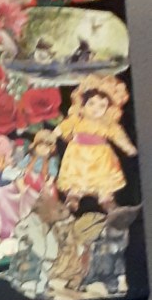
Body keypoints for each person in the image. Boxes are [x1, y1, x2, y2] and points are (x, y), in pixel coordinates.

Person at [55, 75, 136, 211]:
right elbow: (64, 126)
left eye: (102, 105)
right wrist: (54, 134)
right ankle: (74, 196)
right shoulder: (78, 120)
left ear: (108, 108)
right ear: (83, 105)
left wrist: (128, 148)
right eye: (91, 103)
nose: (95, 109)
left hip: (101, 157)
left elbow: (118, 136)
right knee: (76, 178)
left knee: (103, 179)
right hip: (78, 154)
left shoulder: (108, 124)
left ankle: (106, 199)